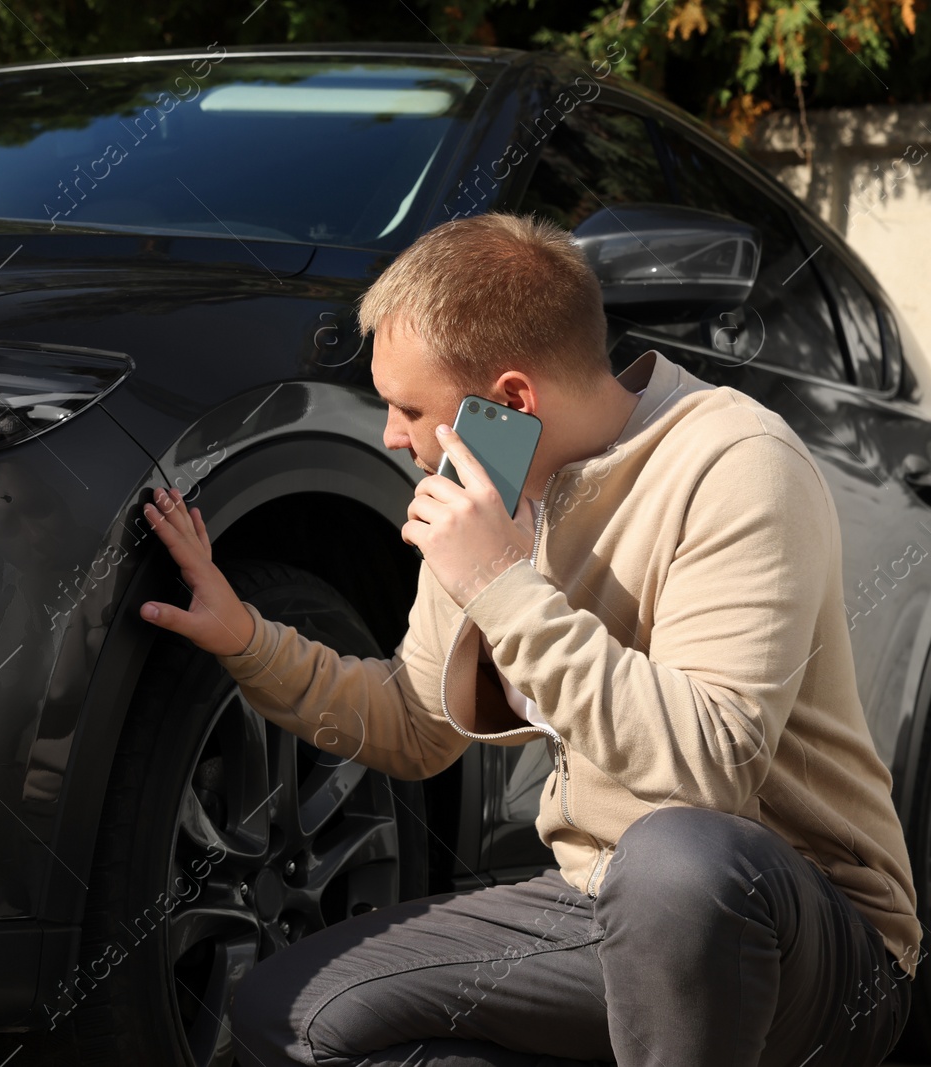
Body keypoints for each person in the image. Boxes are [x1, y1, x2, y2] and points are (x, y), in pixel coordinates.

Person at [136, 211, 921, 1066]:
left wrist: (503, 583)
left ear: (507, 401)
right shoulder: (489, 490)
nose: (392, 434)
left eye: (407, 407)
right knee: (292, 1018)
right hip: (599, 904)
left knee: (675, 863)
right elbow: (413, 723)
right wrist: (246, 637)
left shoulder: (735, 462)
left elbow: (712, 763)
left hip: (797, 936)